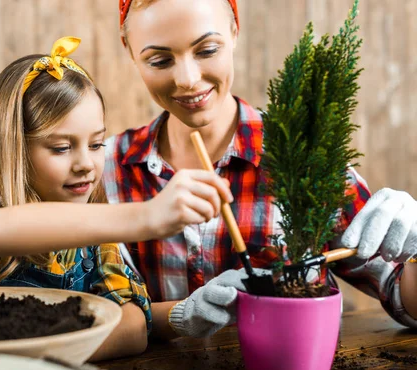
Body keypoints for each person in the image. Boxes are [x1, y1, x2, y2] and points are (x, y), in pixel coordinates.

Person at [105, 0, 417, 339]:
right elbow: (95, 312)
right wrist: (175, 316)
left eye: (207, 49)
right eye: (160, 60)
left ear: (235, 30)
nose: (188, 79)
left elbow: (403, 296)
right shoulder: (105, 168)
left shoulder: (304, 157)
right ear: (130, 50)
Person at [0, 36, 232, 361]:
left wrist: (187, 311)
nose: (85, 164)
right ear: (15, 151)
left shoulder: (97, 243)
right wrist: (146, 216)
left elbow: (134, 328)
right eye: (62, 148)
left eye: (95, 145)